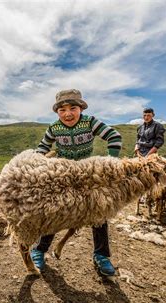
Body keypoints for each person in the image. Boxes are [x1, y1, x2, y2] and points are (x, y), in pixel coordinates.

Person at [33, 88, 122, 276]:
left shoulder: (90, 122)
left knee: (99, 211)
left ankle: (101, 256)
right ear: (57, 112)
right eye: (62, 110)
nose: (67, 114)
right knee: (54, 210)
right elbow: (43, 147)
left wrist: (109, 163)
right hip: (62, 174)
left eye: (73, 108)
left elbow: (114, 137)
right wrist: (36, 162)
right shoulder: (54, 128)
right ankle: (39, 250)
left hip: (86, 174)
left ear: (81, 108)